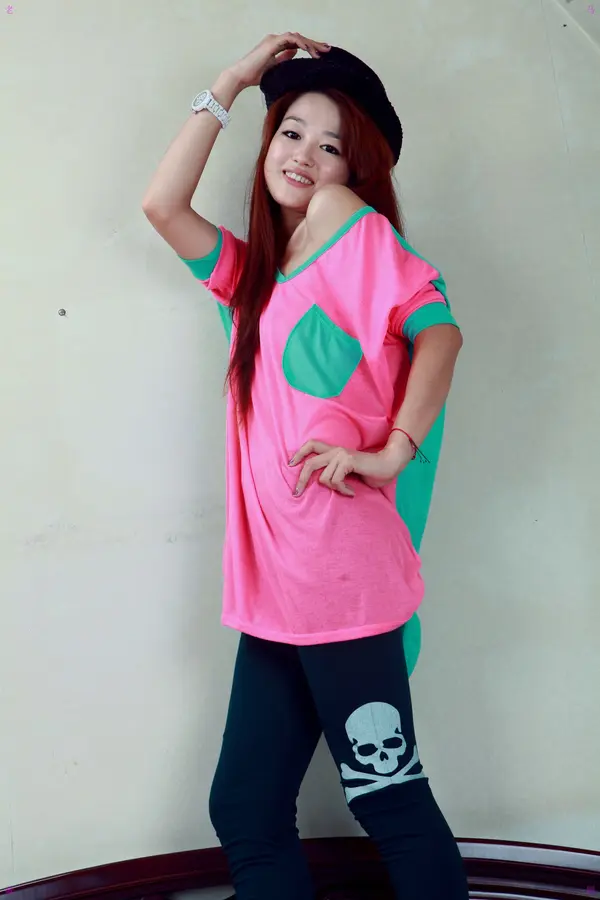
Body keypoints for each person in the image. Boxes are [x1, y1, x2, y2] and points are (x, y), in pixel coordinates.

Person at [142, 32, 468, 900]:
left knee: (389, 801)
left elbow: (440, 334)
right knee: (246, 808)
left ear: (357, 171)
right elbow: (162, 206)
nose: (306, 157)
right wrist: (232, 81)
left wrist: (390, 450)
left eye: (332, 146)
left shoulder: (348, 226)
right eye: (290, 132)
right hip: (278, 587)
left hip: (341, 575)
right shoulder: (253, 278)